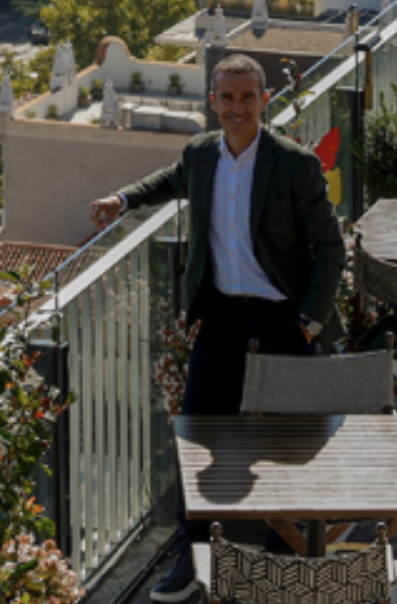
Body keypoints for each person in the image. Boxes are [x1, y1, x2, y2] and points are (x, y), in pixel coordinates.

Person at [89, 53, 346, 604]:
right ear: (213, 102)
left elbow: (331, 247)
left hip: (283, 318)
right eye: (226, 98)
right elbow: (173, 180)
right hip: (222, 313)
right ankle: (194, 552)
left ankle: (285, 558)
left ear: (263, 101)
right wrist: (125, 198)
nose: (236, 108)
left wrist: (309, 319)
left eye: (247, 98)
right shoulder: (201, 154)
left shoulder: (294, 165)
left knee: (290, 440)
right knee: (199, 433)